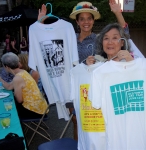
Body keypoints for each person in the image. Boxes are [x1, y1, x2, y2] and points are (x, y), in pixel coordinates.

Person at [37, 0, 132, 141]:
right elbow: (47, 42)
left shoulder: (100, 39)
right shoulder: (69, 39)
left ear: (93, 21)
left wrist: (118, 13)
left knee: (96, 124)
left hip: (96, 88)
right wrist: (40, 24)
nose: (85, 22)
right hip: (73, 88)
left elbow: (125, 36)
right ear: (77, 21)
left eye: (89, 18)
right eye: (82, 19)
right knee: (76, 122)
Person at [89, 23, 146, 150]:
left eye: (115, 38)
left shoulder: (141, 66)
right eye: (106, 38)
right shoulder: (99, 72)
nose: (110, 42)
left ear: (122, 42)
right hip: (115, 141)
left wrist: (132, 65)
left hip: (141, 139)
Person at [0, 52, 48, 119]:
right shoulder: (23, 72)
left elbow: (19, 100)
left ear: (6, 66)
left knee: (6, 108)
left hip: (35, 110)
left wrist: (15, 92)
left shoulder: (17, 78)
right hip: (41, 107)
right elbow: (9, 87)